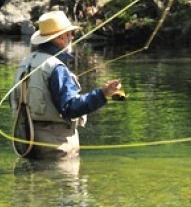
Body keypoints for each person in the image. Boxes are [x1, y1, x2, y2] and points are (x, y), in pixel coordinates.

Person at [10, 10, 121, 159]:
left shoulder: (26, 62)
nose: (72, 38)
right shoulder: (56, 67)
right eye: (70, 34)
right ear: (62, 37)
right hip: (56, 146)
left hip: (26, 141)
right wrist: (102, 93)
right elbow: (71, 108)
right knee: (63, 181)